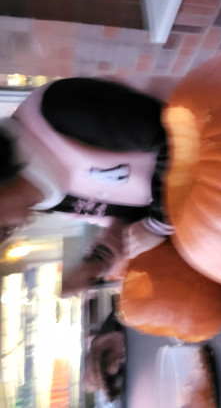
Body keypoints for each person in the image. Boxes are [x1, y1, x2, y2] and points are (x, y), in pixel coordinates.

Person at [0, 76, 176, 294]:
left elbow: (174, 130)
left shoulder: (59, 110)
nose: (5, 239)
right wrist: (95, 266)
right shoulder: (50, 200)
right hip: (202, 219)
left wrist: (159, 223)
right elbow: (129, 219)